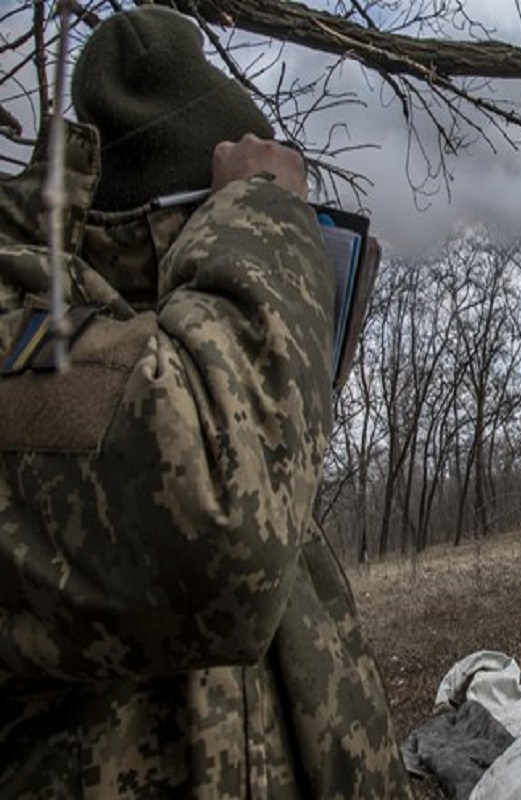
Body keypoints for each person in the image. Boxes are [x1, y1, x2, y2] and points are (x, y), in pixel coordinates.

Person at [0, 7, 409, 797]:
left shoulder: (215, 406)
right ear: (180, 240)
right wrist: (260, 225)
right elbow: (217, 527)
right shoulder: (36, 351)